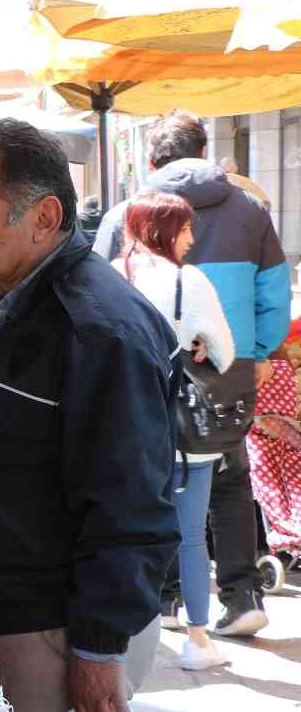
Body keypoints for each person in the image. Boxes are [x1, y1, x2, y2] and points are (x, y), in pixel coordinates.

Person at [0, 119, 178, 712]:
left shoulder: (97, 331)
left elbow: (130, 502)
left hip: (49, 633)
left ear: (43, 217)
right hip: (4, 616)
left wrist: (98, 650)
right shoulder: (15, 307)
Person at [93, 111, 285, 637]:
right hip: (231, 367)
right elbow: (275, 291)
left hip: (149, 374)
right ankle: (241, 595)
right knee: (229, 478)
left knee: (157, 480)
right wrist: (259, 351)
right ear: (203, 147)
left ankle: (170, 596)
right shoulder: (250, 208)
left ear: (153, 160)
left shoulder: (126, 214)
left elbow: (94, 296)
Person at [112, 191, 236, 670]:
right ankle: (197, 641)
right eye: (184, 229)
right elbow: (223, 352)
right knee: (188, 533)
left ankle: (128, 632)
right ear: (164, 231)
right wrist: (198, 345)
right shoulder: (189, 280)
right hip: (181, 429)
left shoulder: (114, 273)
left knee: (124, 526)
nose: (190, 238)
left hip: (123, 424)